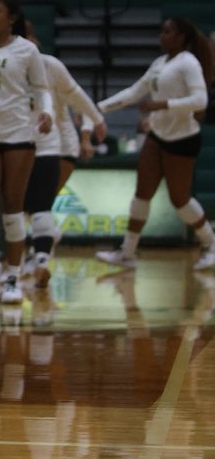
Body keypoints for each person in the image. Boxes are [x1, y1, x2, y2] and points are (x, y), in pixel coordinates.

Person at [95, 17, 215, 271]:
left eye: (168, 32)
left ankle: (211, 244)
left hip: (183, 139)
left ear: (182, 37)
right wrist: (99, 108)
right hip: (158, 136)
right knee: (142, 194)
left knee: (180, 200)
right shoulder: (159, 64)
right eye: (161, 31)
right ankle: (127, 253)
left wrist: (162, 105)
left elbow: (201, 101)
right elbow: (133, 92)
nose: (162, 36)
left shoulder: (188, 63)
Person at [0, 0, 53, 305]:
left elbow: (42, 89)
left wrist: (47, 112)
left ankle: (13, 275)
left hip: (19, 135)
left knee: (14, 209)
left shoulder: (27, 50)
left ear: (12, 17)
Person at [22, 23, 107, 287]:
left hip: (60, 146)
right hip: (27, 144)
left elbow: (78, 98)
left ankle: (40, 256)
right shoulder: (7, 67)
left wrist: (90, 128)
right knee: (29, 207)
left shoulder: (51, 66)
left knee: (37, 205)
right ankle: (45, 245)